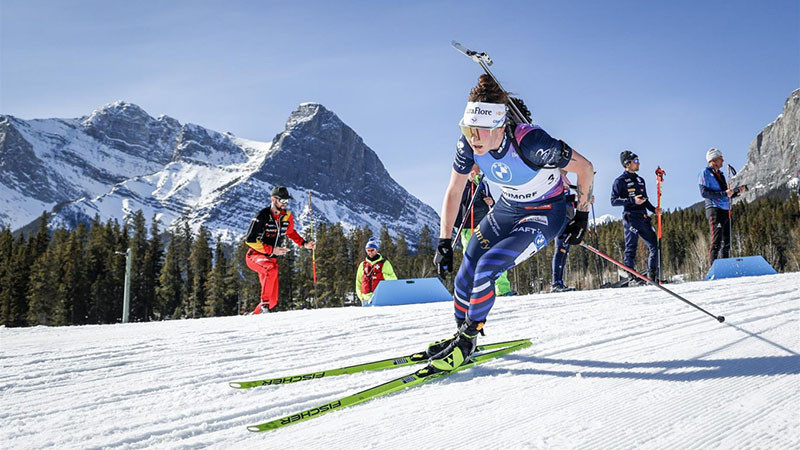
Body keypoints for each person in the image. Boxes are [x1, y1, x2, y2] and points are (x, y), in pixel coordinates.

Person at [430, 74, 594, 371]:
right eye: (467, 129)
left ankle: (468, 339)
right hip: (508, 207)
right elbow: (454, 190)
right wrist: (444, 241)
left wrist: (580, 214)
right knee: (467, 267)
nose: (472, 138)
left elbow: (585, 167)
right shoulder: (468, 145)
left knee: (489, 266)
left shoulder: (532, 143)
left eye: (479, 130)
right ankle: (462, 335)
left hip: (545, 212)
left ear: (498, 126)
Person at [244, 186, 315, 314]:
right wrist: (272, 249)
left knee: (273, 300)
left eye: (286, 201)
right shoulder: (263, 215)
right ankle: (264, 306)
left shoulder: (286, 216)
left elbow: (291, 232)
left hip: (271, 258)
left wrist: (304, 244)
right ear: (273, 199)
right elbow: (250, 240)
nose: (284, 204)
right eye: (282, 201)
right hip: (255, 256)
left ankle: (255, 315)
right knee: (271, 268)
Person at [454, 165, 512, 296]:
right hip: (469, 227)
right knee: (471, 259)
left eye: (479, 167)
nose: (478, 170)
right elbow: (459, 200)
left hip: (485, 224)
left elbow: (492, 203)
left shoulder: (483, 183)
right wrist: (469, 182)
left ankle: (502, 289)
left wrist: (491, 202)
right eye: (476, 167)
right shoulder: (462, 182)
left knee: (495, 255)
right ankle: (470, 291)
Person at [611, 151, 662, 284]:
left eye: (638, 160)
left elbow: (645, 200)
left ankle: (652, 276)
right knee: (631, 247)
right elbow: (614, 201)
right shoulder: (620, 181)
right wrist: (632, 200)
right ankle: (631, 276)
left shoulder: (640, 180)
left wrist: (654, 209)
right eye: (635, 161)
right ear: (627, 164)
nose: (638, 163)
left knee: (654, 246)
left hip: (643, 217)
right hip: (630, 218)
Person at [699, 148, 746, 264]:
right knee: (717, 241)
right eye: (721, 159)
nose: (723, 161)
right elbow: (704, 193)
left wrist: (737, 192)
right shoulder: (705, 173)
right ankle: (713, 268)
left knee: (727, 242)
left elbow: (726, 194)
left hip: (726, 209)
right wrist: (725, 193)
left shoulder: (721, 175)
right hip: (714, 209)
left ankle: (726, 267)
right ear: (713, 160)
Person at [551, 172, 594, 292]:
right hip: (560, 218)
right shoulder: (555, 177)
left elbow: (569, 202)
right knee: (560, 249)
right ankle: (556, 283)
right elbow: (560, 199)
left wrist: (584, 202)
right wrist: (582, 198)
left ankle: (559, 282)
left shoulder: (565, 179)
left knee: (565, 250)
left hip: (568, 217)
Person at [355, 237, 398, 305]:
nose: (370, 252)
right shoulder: (363, 265)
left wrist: (383, 275)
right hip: (366, 300)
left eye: (372, 250)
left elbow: (394, 280)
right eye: (368, 250)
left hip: (380, 299)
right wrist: (361, 296)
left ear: (376, 250)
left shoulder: (385, 263)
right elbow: (358, 282)